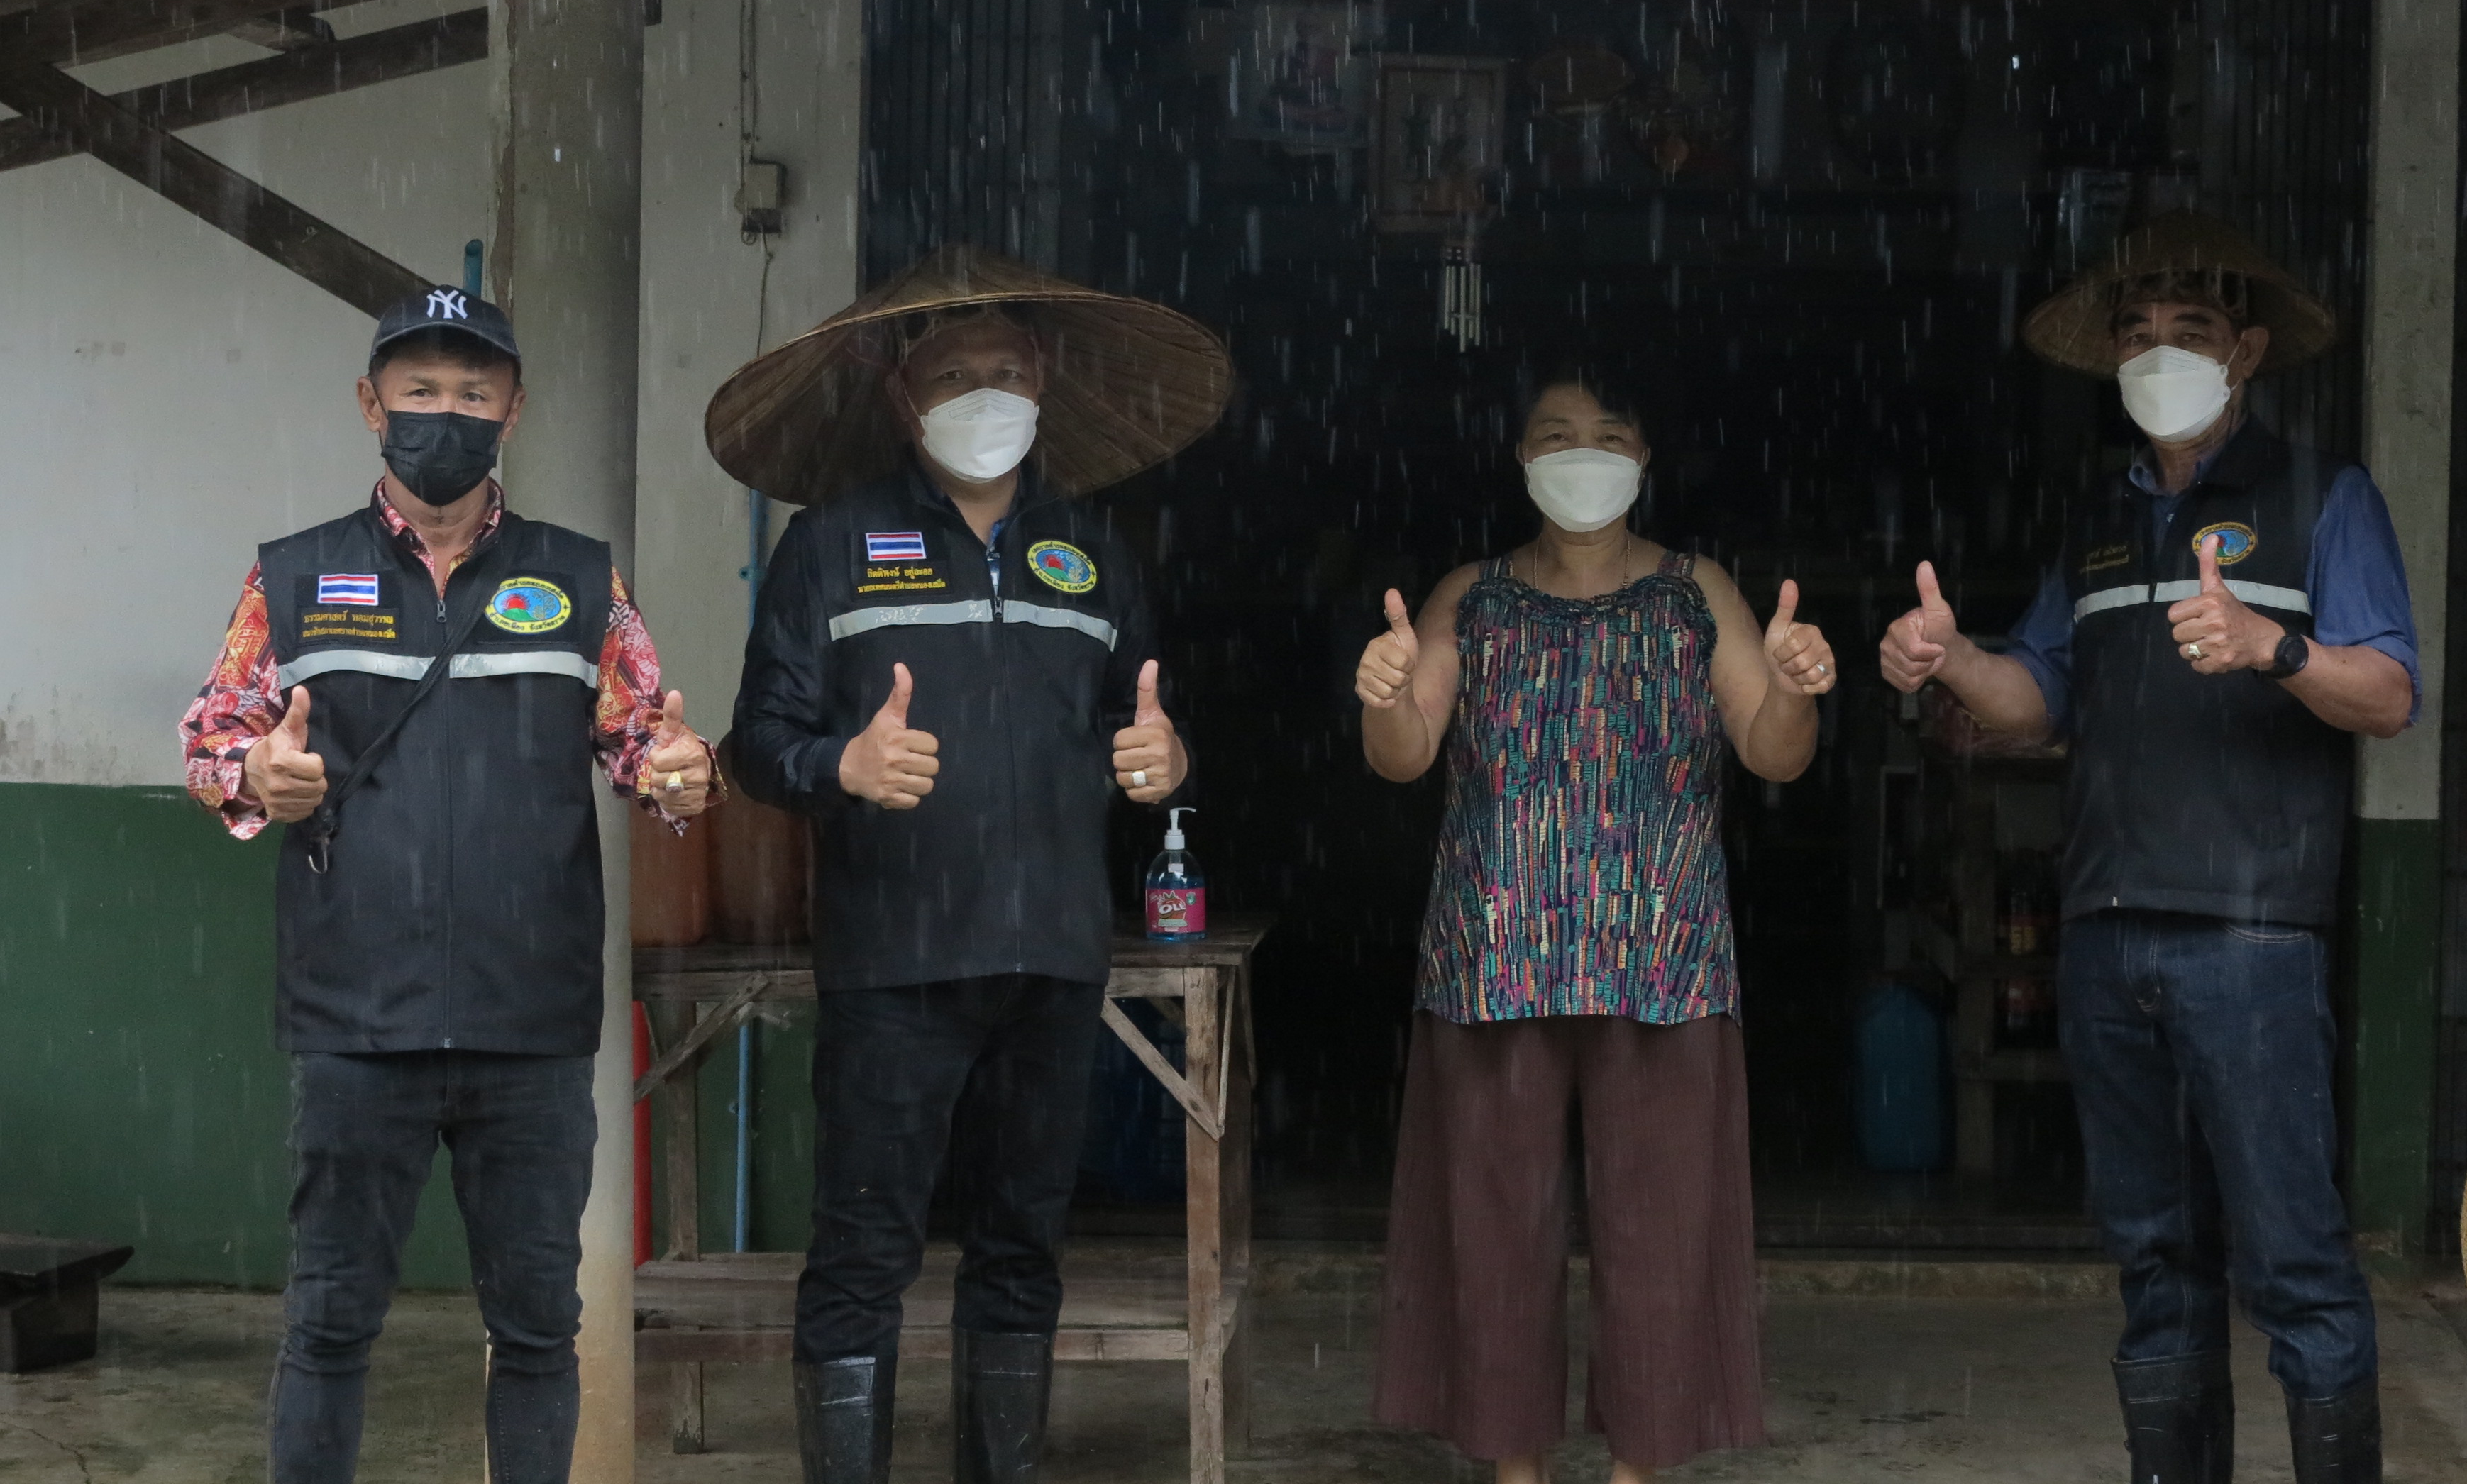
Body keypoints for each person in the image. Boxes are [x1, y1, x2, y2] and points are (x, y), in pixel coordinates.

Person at [1877, 214, 2419, 1483]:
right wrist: (1949, 659)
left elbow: (2390, 694)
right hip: (2106, 938)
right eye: (2138, 335)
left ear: (2250, 350)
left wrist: (2273, 648)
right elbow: (2034, 702)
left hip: (2253, 940)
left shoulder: (2321, 499)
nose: (2159, 354)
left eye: (2190, 333)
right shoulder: (2101, 525)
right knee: (2156, 1265)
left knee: (2294, 1263)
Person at [180, 285, 719, 1484]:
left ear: (512, 412)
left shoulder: (583, 582)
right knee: (328, 1324)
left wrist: (685, 771)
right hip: (352, 1022)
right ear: (371, 405)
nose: (445, 415)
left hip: (527, 1027)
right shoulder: (295, 577)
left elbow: (651, 750)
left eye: (471, 394)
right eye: (419, 391)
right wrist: (259, 772)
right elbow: (214, 738)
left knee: (537, 1331)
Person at [719, 248, 1231, 1484]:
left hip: (1053, 955)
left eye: (1006, 369)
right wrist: (839, 767)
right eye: (954, 373)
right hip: (894, 962)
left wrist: (1165, 758)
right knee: (862, 1253)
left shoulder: (1094, 550)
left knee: (1022, 1248)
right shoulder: (830, 547)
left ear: (1043, 381)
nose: (984, 392)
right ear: (905, 396)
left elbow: (1142, 728)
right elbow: (755, 745)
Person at [1354, 369, 1837, 1484]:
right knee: (1494, 1239)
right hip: (1496, 956)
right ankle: (1513, 1468)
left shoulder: (1691, 591)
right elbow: (1406, 754)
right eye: (1556, 435)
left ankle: (1638, 1470)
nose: (1583, 454)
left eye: (1607, 435)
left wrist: (1800, 684)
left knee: (1660, 1238)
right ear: (1522, 461)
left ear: (1645, 459)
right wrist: (1385, 694)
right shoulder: (1467, 597)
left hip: (1662, 956)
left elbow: (1774, 750)